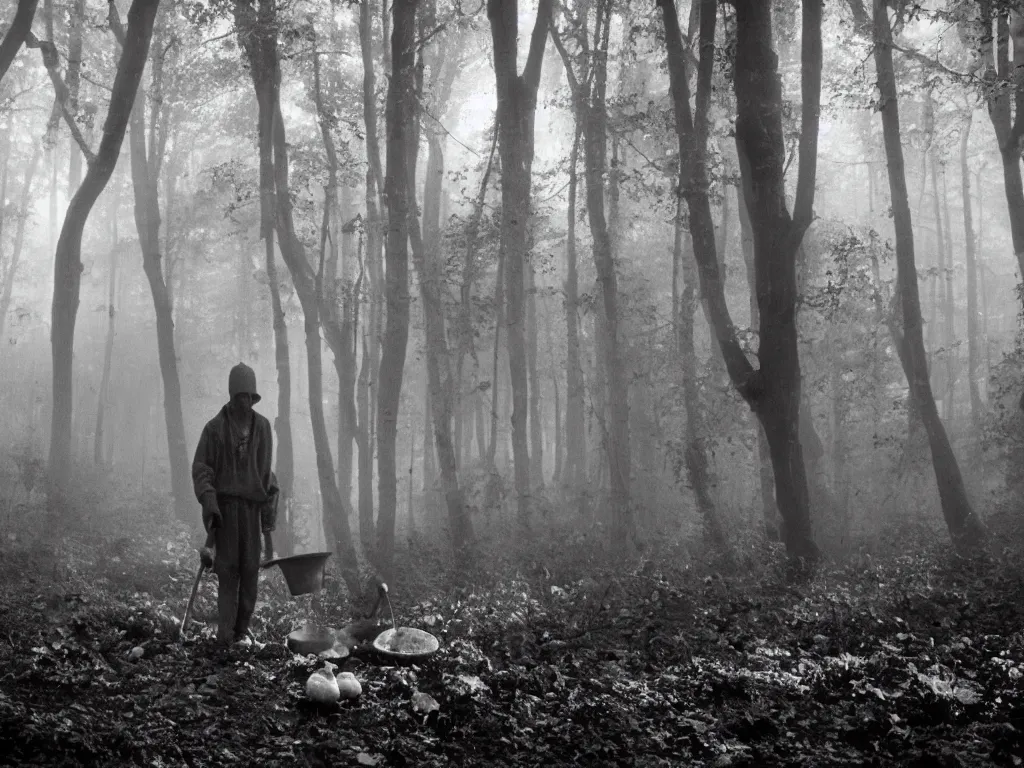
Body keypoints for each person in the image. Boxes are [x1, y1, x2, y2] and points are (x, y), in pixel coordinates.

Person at [192, 362, 278, 648]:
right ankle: (225, 635)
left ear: (254, 397)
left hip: (252, 512)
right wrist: (210, 503)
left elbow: (266, 479)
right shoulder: (214, 429)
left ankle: (242, 631)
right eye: (240, 396)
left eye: (249, 397)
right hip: (226, 512)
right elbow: (202, 469)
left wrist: (267, 531)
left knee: (250, 572)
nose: (245, 401)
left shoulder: (263, 428)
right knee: (228, 572)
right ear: (232, 395)